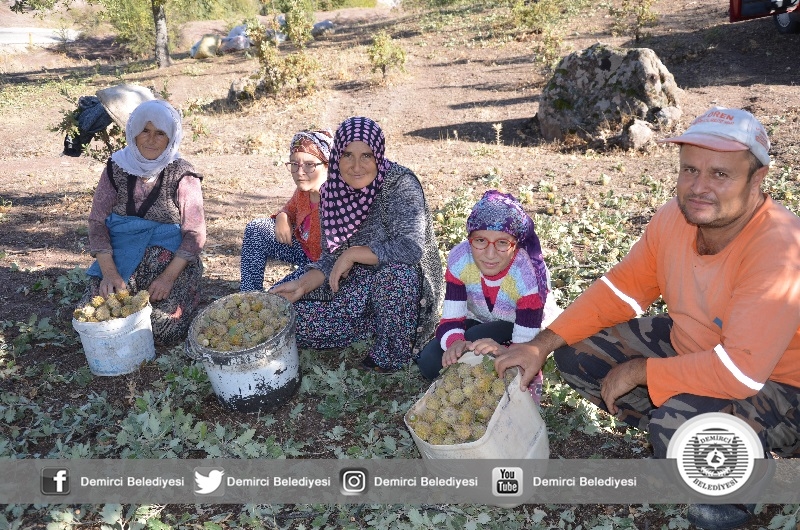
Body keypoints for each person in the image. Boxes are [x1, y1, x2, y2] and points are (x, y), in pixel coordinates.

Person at [484, 107, 800, 530]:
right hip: (701, 348)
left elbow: (740, 372)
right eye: (690, 169)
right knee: (575, 352)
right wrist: (539, 345)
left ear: (757, 180)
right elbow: (622, 290)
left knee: (683, 429)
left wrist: (643, 371)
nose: (699, 187)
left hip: (778, 383)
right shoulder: (676, 216)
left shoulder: (777, 249)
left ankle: (732, 483)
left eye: (720, 174)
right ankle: (684, 425)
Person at [271, 116, 444, 372]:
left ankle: (390, 352)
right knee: (282, 313)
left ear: (378, 155)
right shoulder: (333, 191)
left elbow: (411, 248)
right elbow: (333, 256)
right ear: (336, 157)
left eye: (366, 156)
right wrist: (303, 285)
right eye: (347, 155)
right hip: (355, 282)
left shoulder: (398, 184)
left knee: (396, 278)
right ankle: (367, 322)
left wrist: (353, 253)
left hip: (402, 286)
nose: (356, 166)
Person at [416, 190, 561, 403]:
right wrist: (456, 343)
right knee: (430, 362)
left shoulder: (527, 273)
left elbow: (526, 346)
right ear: (470, 239)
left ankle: (486, 358)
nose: (490, 254)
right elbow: (450, 320)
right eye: (481, 240)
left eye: (503, 242)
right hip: (480, 319)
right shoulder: (460, 259)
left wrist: (502, 351)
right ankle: (478, 355)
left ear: (517, 243)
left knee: (478, 338)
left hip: (524, 328)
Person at [84, 99, 206, 346]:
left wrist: (168, 279)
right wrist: (109, 274)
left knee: (162, 329)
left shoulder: (182, 173)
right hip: (120, 258)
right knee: (97, 321)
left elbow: (195, 233)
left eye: (160, 133)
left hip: (169, 265)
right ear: (133, 133)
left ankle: (190, 298)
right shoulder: (116, 167)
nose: (151, 139)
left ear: (171, 137)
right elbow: (97, 222)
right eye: (145, 131)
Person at [239, 129, 333, 291]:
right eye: (294, 165)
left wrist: (302, 282)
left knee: (276, 297)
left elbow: (332, 260)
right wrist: (283, 216)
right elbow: (289, 209)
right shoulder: (303, 192)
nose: (300, 172)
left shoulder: (337, 203)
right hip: (303, 251)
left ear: (326, 166)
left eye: (309, 165)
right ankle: (248, 292)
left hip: (323, 268)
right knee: (256, 229)